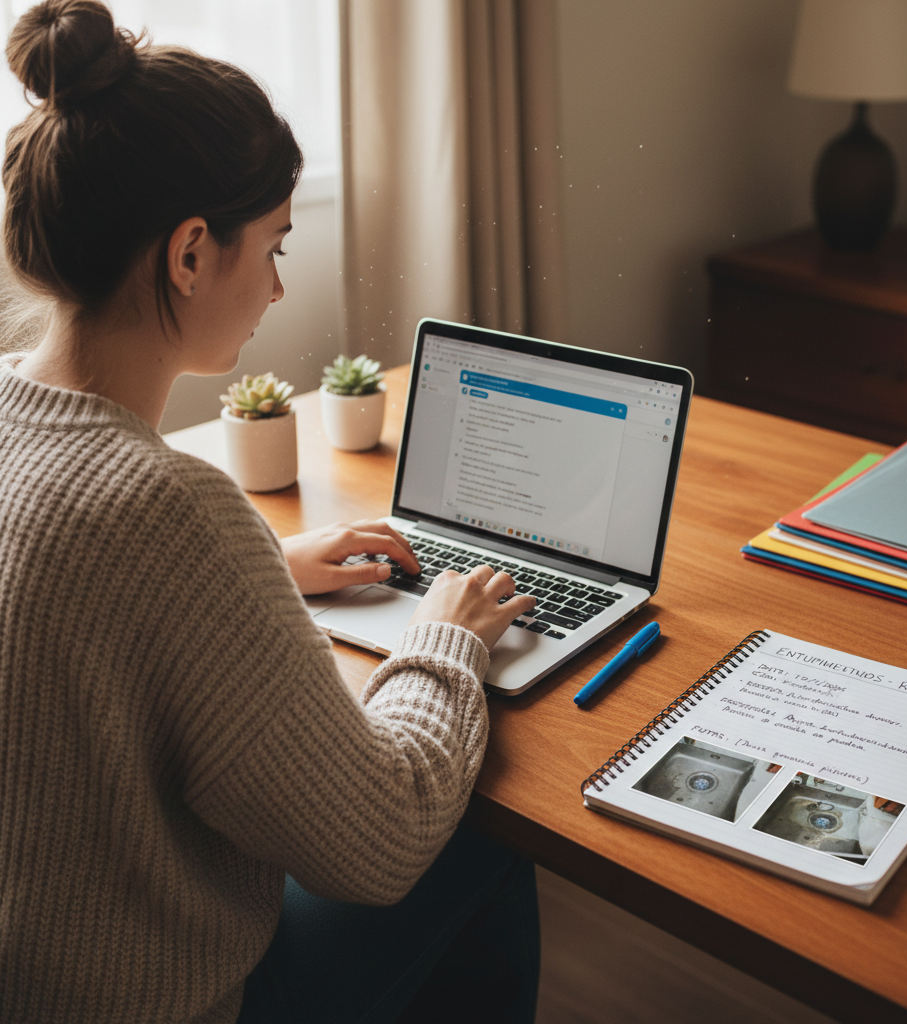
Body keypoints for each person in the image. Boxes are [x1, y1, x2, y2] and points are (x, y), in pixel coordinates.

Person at [0, 2, 539, 1022]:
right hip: (158, 1001)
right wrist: (442, 642)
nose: (281, 287)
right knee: (476, 833)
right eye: (275, 246)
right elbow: (383, 835)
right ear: (191, 252)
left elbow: (61, 595)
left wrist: (263, 567)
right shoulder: (167, 515)